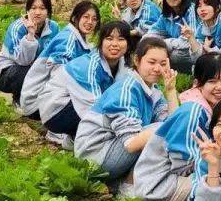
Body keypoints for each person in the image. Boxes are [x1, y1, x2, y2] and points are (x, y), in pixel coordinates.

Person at [134, 53, 221, 201]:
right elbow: (182, 163)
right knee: (219, 176)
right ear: (198, 83)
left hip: (163, 181)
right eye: (212, 81)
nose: (220, 87)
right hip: (155, 189)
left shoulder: (207, 106)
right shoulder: (194, 111)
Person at [75, 37, 179, 190]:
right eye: (151, 62)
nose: (158, 69)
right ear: (137, 60)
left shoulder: (154, 91)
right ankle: (128, 186)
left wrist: (170, 91)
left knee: (166, 128)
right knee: (161, 130)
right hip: (94, 157)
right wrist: (163, 130)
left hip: (113, 150)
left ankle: (125, 181)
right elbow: (131, 144)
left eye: (163, 64)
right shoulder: (126, 89)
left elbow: (173, 121)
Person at [39, 20, 134, 140]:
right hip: (55, 112)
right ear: (100, 42)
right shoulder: (90, 66)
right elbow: (94, 107)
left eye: (121, 39)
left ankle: (75, 135)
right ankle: (63, 134)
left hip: (79, 103)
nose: (115, 44)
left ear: (128, 44)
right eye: (109, 39)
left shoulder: (124, 65)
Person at [18, 0, 97, 124]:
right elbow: (59, 77)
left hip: (42, 99)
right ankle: (58, 132)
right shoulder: (68, 40)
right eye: (86, 17)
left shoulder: (78, 38)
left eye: (94, 19)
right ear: (75, 18)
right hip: (38, 103)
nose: (90, 22)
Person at [0, 0, 61, 104]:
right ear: (27, 10)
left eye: (42, 8)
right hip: (7, 72)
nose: (37, 12)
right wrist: (30, 35)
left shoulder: (54, 27)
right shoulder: (17, 28)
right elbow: (23, 61)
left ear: (48, 11)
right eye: (33, 8)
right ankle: (18, 100)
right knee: (25, 71)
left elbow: (58, 54)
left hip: (37, 70)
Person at [148, 0, 199, 73]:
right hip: (175, 45)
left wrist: (164, 43)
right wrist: (147, 41)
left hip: (195, 48)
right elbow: (155, 30)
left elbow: (188, 42)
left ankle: (189, 70)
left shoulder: (191, 10)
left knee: (175, 55)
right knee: (148, 43)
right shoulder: (167, 13)